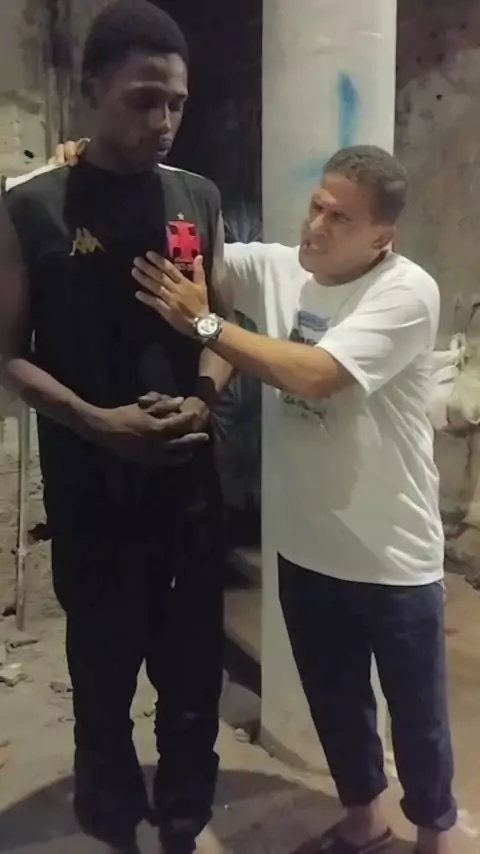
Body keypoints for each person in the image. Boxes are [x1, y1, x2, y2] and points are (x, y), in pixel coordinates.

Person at [130, 145, 455, 854]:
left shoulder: (406, 292)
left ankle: (433, 835)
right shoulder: (279, 269)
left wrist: (206, 326)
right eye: (316, 206)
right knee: (337, 704)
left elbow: (315, 374)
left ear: (382, 237)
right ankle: (365, 823)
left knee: (419, 717)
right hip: (307, 548)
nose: (316, 226)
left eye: (340, 219)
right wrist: (84, 162)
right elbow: (185, 237)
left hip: (392, 556)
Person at [0, 3, 233, 853]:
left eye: (176, 102)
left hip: (189, 493)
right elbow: (7, 355)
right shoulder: (33, 210)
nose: (163, 120)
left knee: (193, 688)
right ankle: (113, 824)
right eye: (143, 100)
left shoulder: (196, 198)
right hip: (91, 498)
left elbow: (223, 331)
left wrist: (203, 397)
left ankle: (183, 822)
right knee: (101, 690)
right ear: (92, 88)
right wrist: (97, 422)